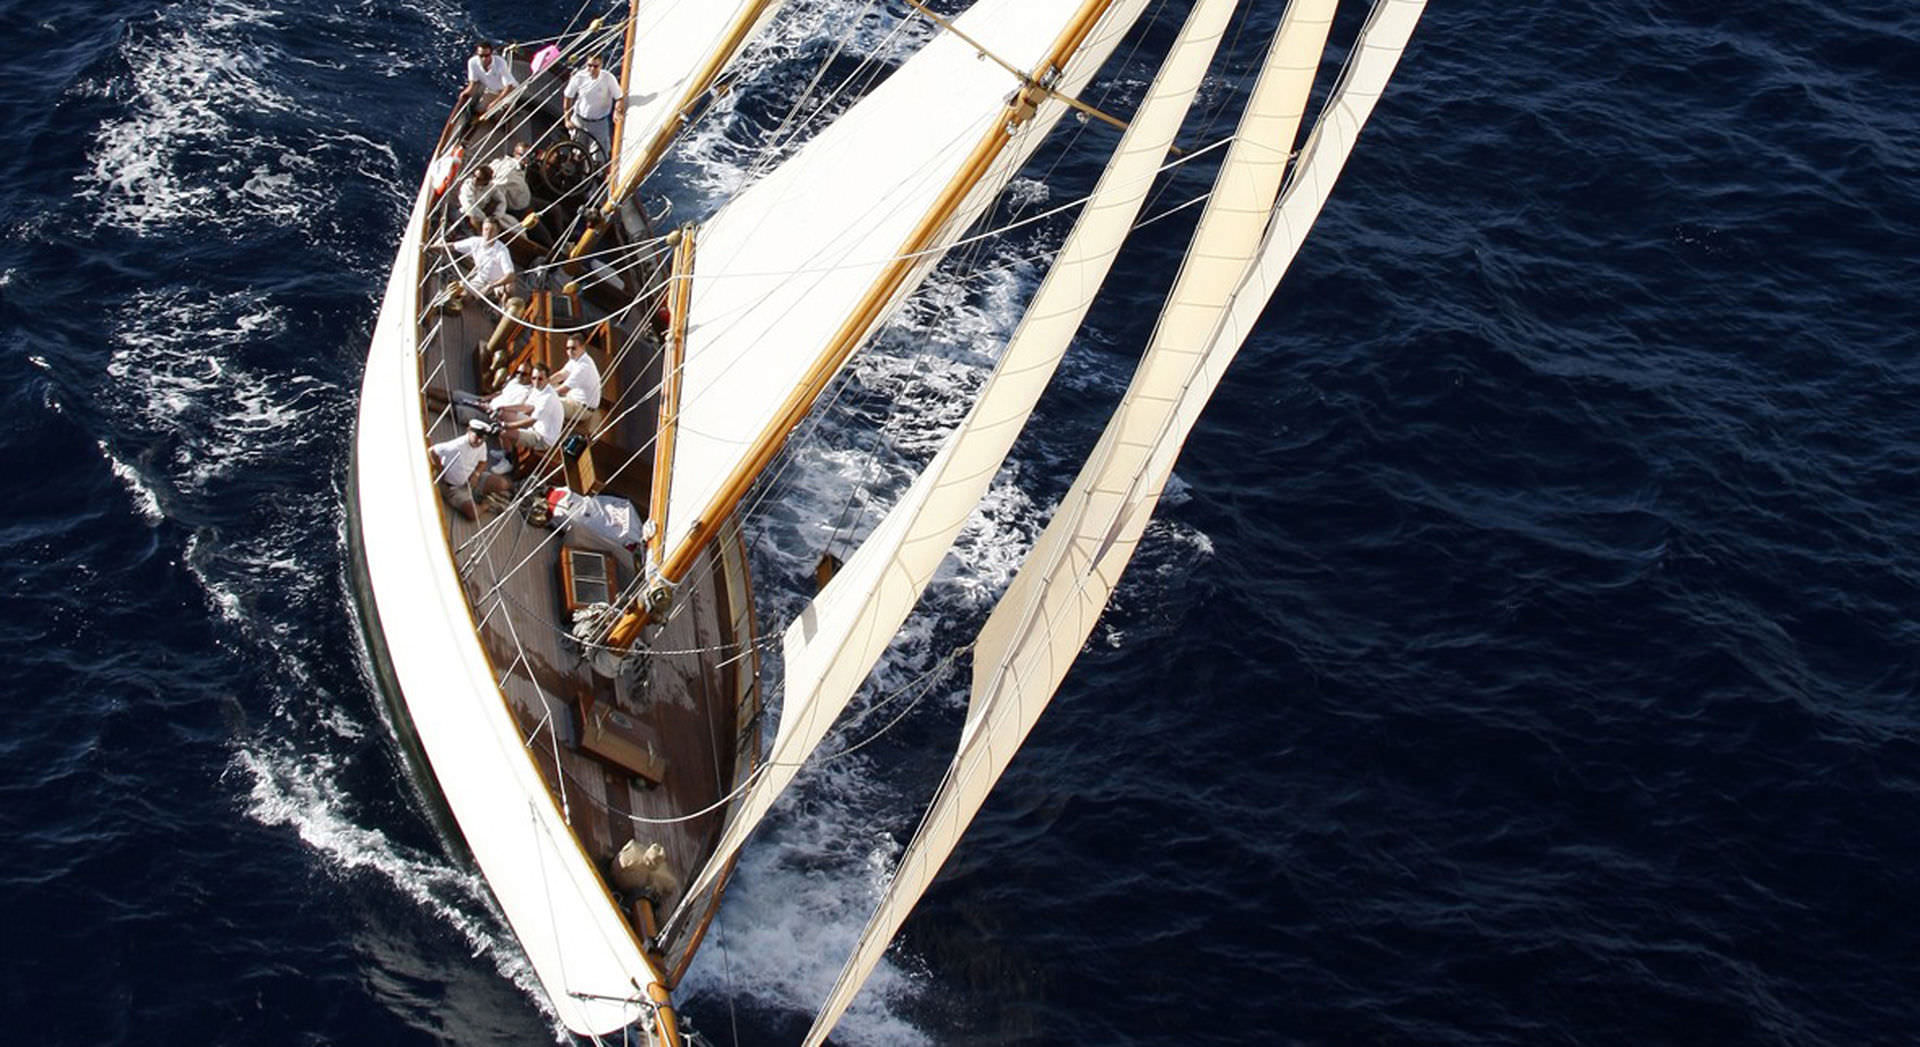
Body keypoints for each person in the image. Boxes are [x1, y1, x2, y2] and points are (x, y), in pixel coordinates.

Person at [431, 419, 511, 519]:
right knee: (472, 514)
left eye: (483, 438)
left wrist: (476, 474)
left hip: (472, 480)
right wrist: (441, 470)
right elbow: (432, 451)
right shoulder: (457, 446)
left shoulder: (482, 445)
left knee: (503, 484)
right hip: (453, 488)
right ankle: (487, 504)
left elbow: (483, 462)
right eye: (477, 436)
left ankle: (481, 494)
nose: (479, 441)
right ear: (468, 430)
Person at [441, 217, 517, 302]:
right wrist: (429, 247)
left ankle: (500, 310)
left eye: (492, 230)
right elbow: (452, 246)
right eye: (486, 229)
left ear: (497, 232)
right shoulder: (475, 242)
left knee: (510, 288)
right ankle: (477, 296)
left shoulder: (502, 250)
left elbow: (511, 276)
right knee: (464, 299)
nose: (488, 233)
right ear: (482, 230)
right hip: (482, 278)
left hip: (498, 282)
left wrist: (491, 286)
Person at [564, 53, 621, 163]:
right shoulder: (579, 77)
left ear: (601, 65)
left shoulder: (608, 79)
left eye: (595, 66)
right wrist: (567, 119)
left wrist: (617, 111)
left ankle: (596, 177)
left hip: (599, 124)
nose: (592, 69)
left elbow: (619, 97)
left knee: (599, 157)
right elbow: (568, 96)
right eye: (589, 65)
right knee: (577, 154)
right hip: (580, 121)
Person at [496, 365, 563, 452]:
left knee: (503, 432)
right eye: (534, 378)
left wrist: (507, 426)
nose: (536, 382)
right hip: (536, 425)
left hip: (542, 438)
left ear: (548, 380)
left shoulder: (548, 398)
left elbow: (530, 422)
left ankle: (507, 460)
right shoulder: (538, 389)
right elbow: (527, 406)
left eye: (540, 379)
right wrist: (505, 408)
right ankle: (508, 449)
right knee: (503, 413)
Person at [552, 335, 602, 423]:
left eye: (573, 348)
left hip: (581, 408)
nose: (570, 351)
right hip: (572, 398)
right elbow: (562, 374)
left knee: (547, 403)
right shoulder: (576, 359)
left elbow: (564, 389)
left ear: (582, 348)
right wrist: (544, 382)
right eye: (567, 348)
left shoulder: (583, 367)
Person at [461, 40, 518, 115]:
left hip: (508, 92)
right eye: (481, 56)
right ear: (477, 54)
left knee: (499, 113)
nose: (484, 59)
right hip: (492, 91)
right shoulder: (472, 62)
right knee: (479, 110)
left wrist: (495, 102)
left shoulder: (500, 63)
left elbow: (509, 87)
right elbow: (473, 83)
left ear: (491, 54)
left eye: (487, 55)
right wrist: (464, 94)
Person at [457, 164, 510, 229]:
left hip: (486, 214)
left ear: (486, 181)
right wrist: (485, 219)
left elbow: (502, 201)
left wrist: (496, 215)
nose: (475, 179)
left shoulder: (491, 187)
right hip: (468, 215)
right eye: (474, 176)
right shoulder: (467, 186)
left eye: (479, 179)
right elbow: (469, 206)